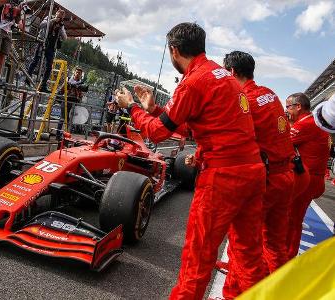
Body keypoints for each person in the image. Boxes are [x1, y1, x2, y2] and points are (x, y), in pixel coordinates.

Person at [115, 22, 266, 300]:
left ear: (174, 51)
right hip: (253, 173)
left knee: (198, 259)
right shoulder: (224, 77)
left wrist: (133, 108)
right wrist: (156, 109)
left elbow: (157, 133)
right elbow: (200, 126)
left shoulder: (193, 81)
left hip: (223, 177)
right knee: (248, 256)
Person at [222, 51, 295, 291]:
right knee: (274, 244)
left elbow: (227, 137)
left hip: (267, 180)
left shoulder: (245, 100)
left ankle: (233, 294)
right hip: (286, 175)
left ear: (232, 72)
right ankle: (279, 291)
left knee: (241, 243)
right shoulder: (270, 94)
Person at [285, 92, 330, 259]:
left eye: (288, 106)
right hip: (314, 178)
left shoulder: (305, 124)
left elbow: (279, 141)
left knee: (291, 220)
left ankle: (285, 261)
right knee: (292, 219)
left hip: (307, 179)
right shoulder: (314, 122)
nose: (287, 110)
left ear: (298, 106)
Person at [27, 9, 67, 93]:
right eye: (58, 16)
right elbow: (41, 25)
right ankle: (27, 78)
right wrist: (53, 20)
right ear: (56, 14)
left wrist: (60, 27)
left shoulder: (61, 25)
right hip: (42, 42)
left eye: (61, 17)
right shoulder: (48, 18)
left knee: (49, 66)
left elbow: (65, 37)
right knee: (35, 60)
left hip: (51, 47)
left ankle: (43, 85)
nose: (59, 18)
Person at [55, 67, 86, 137]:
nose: (78, 74)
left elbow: (82, 95)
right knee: (62, 118)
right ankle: (58, 134)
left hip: (75, 102)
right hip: (66, 100)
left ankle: (66, 135)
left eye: (79, 73)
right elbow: (61, 90)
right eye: (77, 72)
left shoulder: (82, 83)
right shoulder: (68, 79)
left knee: (70, 120)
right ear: (74, 73)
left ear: (81, 75)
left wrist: (78, 91)